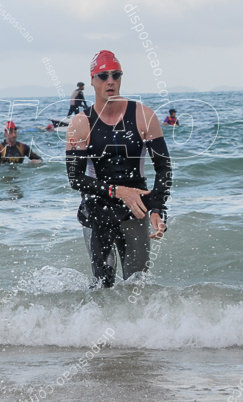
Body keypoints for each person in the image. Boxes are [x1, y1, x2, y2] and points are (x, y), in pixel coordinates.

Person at [65, 50, 172, 288]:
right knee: (103, 286)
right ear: (93, 80)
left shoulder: (144, 116)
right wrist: (119, 191)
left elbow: (164, 168)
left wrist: (157, 209)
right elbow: (75, 178)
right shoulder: (81, 123)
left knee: (137, 285)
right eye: (103, 76)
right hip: (97, 209)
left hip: (136, 209)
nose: (110, 81)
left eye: (116, 75)